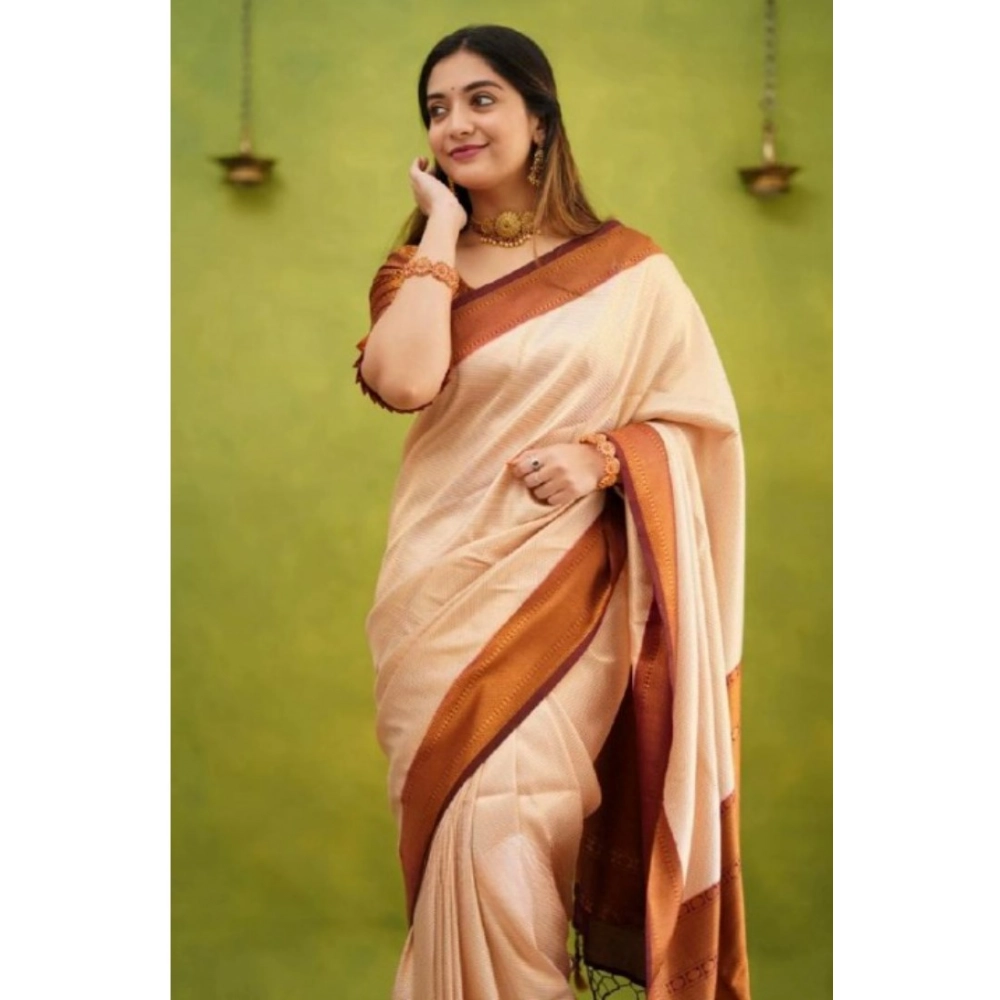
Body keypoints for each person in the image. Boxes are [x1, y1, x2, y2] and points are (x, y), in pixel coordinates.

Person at [354, 23, 751, 1000]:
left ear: (539, 118)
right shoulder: (420, 270)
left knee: (506, 829)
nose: (455, 122)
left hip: (565, 599)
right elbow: (402, 381)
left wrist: (602, 456)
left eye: (481, 98)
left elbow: (700, 427)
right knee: (459, 845)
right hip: (435, 602)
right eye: (437, 108)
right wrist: (438, 233)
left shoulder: (631, 273)